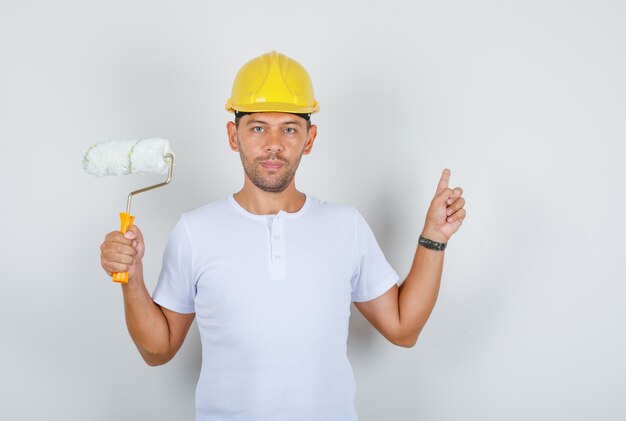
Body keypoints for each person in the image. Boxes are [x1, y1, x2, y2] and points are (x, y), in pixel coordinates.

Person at [100, 50, 466, 421]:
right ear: (233, 135)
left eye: (289, 128)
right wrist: (131, 281)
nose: (273, 143)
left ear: (309, 138)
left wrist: (434, 237)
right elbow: (157, 351)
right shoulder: (195, 231)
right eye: (258, 127)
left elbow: (403, 329)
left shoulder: (346, 226)